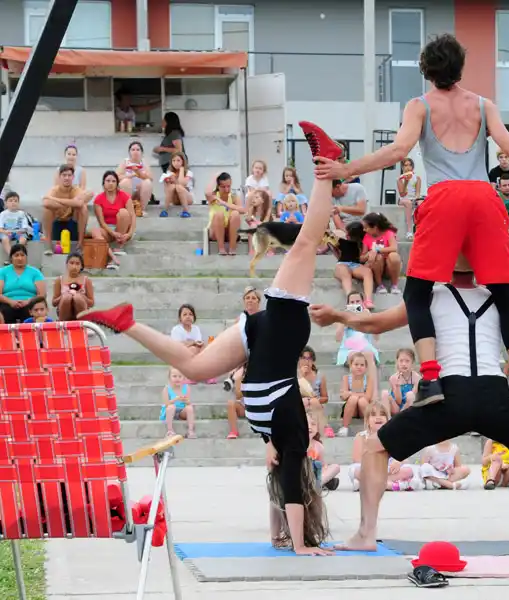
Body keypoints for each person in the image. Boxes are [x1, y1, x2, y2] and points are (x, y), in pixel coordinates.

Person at [78, 121, 344, 556]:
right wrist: (298, 545)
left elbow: (287, 489)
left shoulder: (279, 443)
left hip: (264, 338)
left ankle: (127, 323)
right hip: (276, 335)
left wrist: (291, 538)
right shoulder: (287, 444)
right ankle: (326, 166)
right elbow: (292, 488)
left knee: (195, 368)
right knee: (306, 242)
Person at [312, 33, 509, 411]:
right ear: (461, 68)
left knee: (417, 295)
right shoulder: (483, 104)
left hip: (443, 198)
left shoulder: (420, 106)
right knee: (506, 295)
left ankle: (430, 379)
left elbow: (398, 150)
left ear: (425, 70)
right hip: (483, 197)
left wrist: (347, 168)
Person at [308, 254, 509, 552]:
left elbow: (377, 323)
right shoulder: (497, 299)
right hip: (493, 396)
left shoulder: (429, 297)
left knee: (375, 447)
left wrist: (338, 316)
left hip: (446, 396)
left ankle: (366, 534)